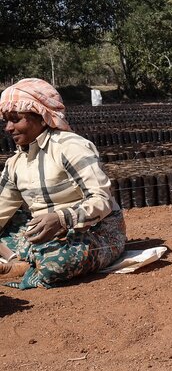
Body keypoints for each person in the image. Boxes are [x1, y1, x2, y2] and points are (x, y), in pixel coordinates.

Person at [0, 79, 126, 289]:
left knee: (55, 263)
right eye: (6, 121)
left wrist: (62, 219)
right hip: (43, 234)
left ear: (41, 117)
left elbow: (101, 199)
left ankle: (29, 263)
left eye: (15, 119)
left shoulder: (71, 147)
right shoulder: (15, 163)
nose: (8, 128)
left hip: (96, 232)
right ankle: (20, 259)